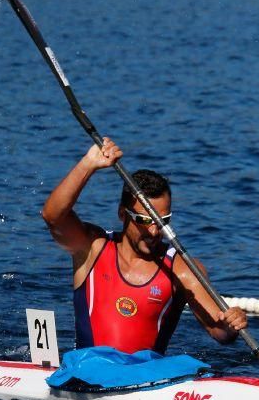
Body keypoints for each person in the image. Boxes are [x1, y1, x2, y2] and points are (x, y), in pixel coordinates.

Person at [41, 137, 248, 355]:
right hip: (88, 375)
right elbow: (52, 216)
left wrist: (231, 324)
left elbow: (219, 332)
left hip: (147, 377)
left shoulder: (182, 268)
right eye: (144, 220)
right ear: (122, 214)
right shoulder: (92, 247)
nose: (153, 231)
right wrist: (88, 164)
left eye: (162, 221)